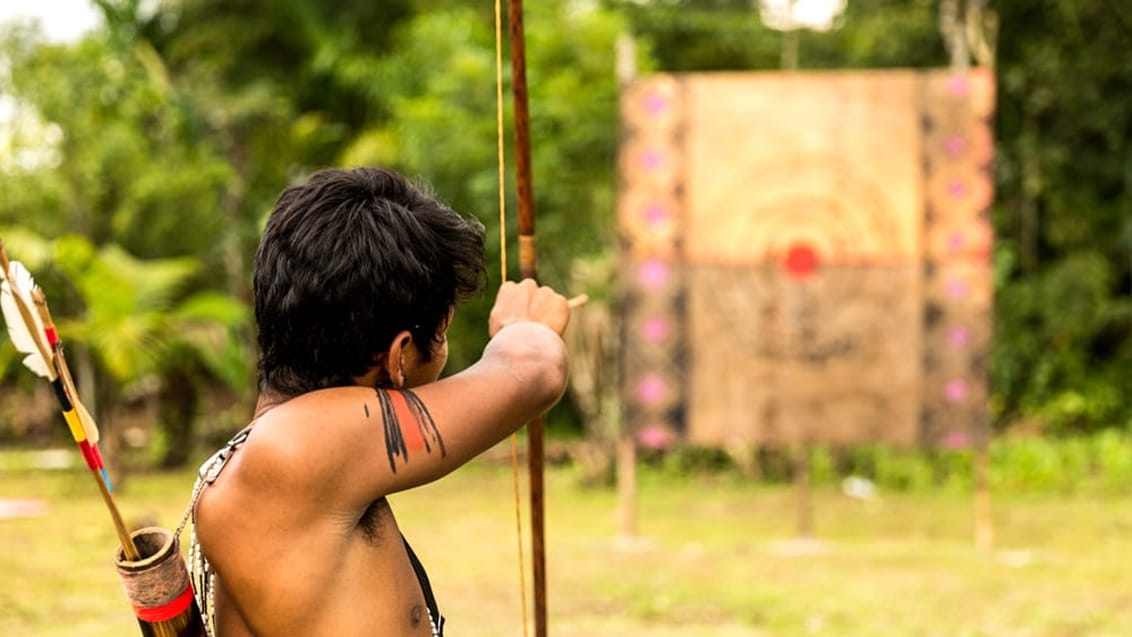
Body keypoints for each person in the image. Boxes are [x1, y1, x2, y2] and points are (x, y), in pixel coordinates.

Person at [189, 166, 571, 636]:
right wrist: (523, 327)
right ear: (399, 357)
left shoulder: (293, 448)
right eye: (443, 333)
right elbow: (536, 371)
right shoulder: (303, 442)